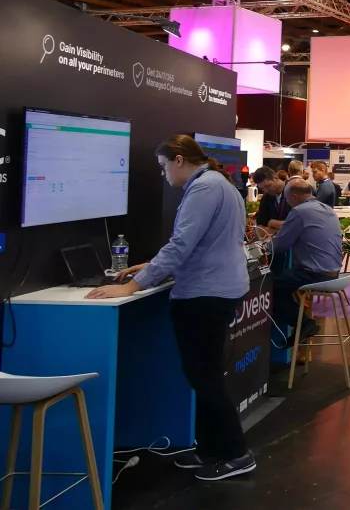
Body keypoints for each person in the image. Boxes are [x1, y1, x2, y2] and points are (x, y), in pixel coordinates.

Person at [86, 135, 254, 480]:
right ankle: (210, 450)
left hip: (206, 294)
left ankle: (237, 454)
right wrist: (149, 266)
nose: (163, 174)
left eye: (164, 166)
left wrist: (133, 285)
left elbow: (182, 245)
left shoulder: (204, 187)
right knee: (203, 376)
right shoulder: (217, 183)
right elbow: (202, 243)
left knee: (205, 378)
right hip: (216, 288)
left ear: (179, 160)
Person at [268, 180, 343, 342]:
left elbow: (280, 245)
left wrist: (261, 246)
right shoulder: (327, 209)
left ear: (295, 197)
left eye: (287, 199)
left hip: (314, 274)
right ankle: (300, 324)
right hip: (334, 272)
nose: (287, 203)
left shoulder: (299, 212)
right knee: (284, 284)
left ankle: (303, 323)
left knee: (269, 287)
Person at [252, 166, 291, 232]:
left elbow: (297, 224)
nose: (266, 190)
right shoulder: (266, 197)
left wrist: (272, 223)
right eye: (262, 188)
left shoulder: (293, 191)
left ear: (276, 178)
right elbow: (260, 228)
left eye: (268, 185)